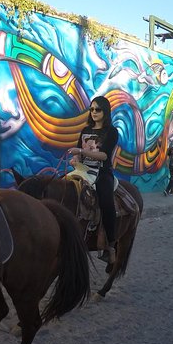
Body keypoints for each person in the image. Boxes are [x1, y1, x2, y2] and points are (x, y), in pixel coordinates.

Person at [68, 95, 119, 264]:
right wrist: (75, 159)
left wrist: (81, 152)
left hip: (102, 172)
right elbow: (79, 151)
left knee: (106, 201)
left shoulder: (111, 131)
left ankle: (111, 243)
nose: (94, 112)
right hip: (82, 169)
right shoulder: (85, 130)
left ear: (105, 111)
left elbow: (104, 155)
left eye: (98, 109)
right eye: (92, 109)